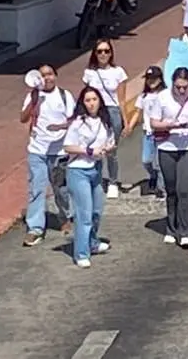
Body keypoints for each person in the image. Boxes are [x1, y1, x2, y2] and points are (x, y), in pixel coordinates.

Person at [147, 67, 188, 248]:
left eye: (184, 87)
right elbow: (154, 123)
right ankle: (170, 228)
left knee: (184, 189)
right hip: (167, 146)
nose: (181, 91)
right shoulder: (163, 98)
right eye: (178, 87)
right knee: (171, 188)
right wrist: (169, 125)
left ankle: (184, 230)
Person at [62, 86, 116, 267]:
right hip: (78, 171)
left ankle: (92, 242)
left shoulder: (104, 121)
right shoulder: (78, 123)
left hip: (96, 169)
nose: (92, 103)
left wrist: (107, 149)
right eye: (88, 100)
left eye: (94, 99)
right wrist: (88, 150)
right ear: (83, 104)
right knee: (83, 214)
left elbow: (110, 142)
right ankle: (81, 253)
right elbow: (68, 146)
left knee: (96, 211)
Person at [21, 66, 74, 246]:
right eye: (43, 75)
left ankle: (65, 217)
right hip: (37, 151)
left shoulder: (65, 96)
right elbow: (23, 118)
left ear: (56, 76)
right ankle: (35, 228)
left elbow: (73, 121)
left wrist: (59, 128)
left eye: (50, 74)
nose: (47, 78)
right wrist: (33, 102)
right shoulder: (33, 96)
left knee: (61, 189)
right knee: (36, 189)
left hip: (58, 152)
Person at [80, 39, 128, 199]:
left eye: (106, 51)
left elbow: (121, 99)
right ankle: (97, 179)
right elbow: (86, 96)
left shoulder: (118, 72)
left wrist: (126, 121)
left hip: (113, 111)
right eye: (100, 51)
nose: (103, 54)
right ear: (94, 53)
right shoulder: (90, 73)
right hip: (96, 112)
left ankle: (113, 182)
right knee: (95, 147)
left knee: (111, 149)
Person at [123, 65, 167, 199]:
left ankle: (161, 188)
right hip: (148, 133)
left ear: (160, 79)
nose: (151, 81)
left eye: (154, 78)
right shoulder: (143, 96)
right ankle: (152, 175)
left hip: (161, 133)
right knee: (146, 160)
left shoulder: (165, 94)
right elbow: (137, 112)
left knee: (159, 163)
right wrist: (129, 127)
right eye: (148, 79)